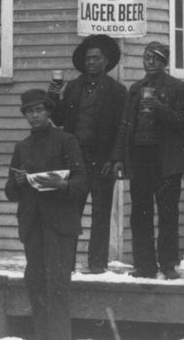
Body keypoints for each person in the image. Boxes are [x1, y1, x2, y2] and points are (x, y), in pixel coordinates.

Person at [5, 89, 87, 340]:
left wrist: (64, 185)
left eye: (39, 110)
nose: (35, 115)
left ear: (48, 111)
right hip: (33, 226)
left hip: (60, 226)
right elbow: (10, 192)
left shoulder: (66, 140)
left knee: (58, 288)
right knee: (37, 286)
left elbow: (82, 180)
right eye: (29, 111)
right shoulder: (23, 147)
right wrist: (19, 181)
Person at [112, 42, 184, 279]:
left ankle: (168, 264)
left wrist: (160, 108)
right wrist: (119, 157)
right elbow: (125, 125)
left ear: (165, 61)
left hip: (166, 159)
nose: (150, 62)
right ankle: (145, 265)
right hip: (140, 157)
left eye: (156, 58)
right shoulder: (136, 89)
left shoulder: (177, 88)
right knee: (140, 212)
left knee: (168, 213)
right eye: (147, 57)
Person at [48, 34, 127, 274]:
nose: (91, 62)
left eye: (96, 58)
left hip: (101, 160)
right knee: (71, 213)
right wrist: (53, 96)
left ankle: (97, 264)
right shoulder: (72, 88)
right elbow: (60, 120)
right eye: (88, 58)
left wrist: (114, 159)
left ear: (106, 61)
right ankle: (67, 262)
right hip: (76, 160)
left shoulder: (116, 90)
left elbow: (122, 127)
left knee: (101, 215)